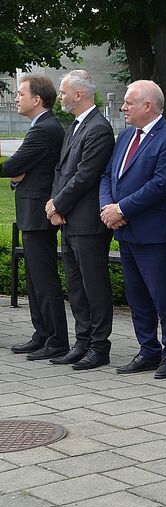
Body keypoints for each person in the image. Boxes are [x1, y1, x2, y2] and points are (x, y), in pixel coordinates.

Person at [99, 81, 166, 379]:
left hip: (152, 233)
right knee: (136, 295)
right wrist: (107, 208)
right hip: (124, 230)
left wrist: (121, 209)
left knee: (162, 296)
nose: (123, 108)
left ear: (147, 106)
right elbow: (108, 174)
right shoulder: (125, 135)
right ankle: (147, 350)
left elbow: (161, 184)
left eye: (128, 102)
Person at [47, 70, 115, 370]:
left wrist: (58, 203)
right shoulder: (75, 126)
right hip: (70, 219)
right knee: (75, 285)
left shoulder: (98, 128)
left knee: (93, 286)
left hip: (88, 222)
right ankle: (82, 341)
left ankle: (99, 347)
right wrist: (54, 205)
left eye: (63, 92)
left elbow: (86, 175)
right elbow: (62, 171)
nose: (60, 97)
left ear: (78, 94)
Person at [5, 75, 68, 360]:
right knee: (34, 278)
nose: (16, 98)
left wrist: (16, 174)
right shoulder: (43, 127)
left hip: (39, 214)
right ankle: (42, 333)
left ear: (37, 99)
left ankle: (56, 340)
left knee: (43, 279)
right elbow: (18, 172)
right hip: (32, 211)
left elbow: (15, 165)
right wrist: (18, 178)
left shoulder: (44, 129)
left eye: (20, 94)